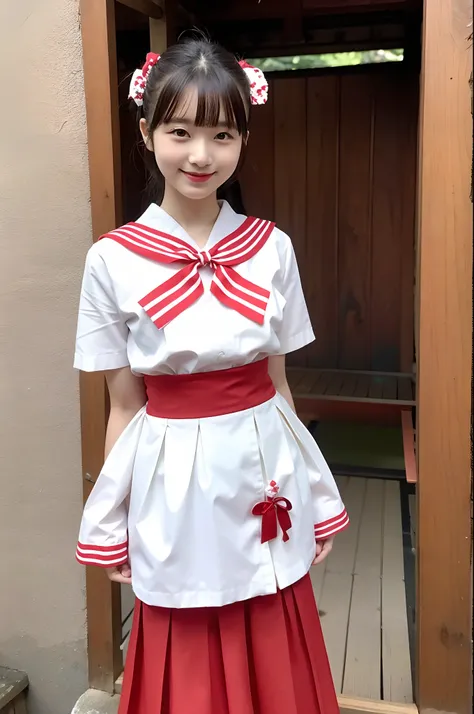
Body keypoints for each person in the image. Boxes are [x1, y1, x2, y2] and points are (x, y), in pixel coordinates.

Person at [74, 37, 349, 714]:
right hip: (173, 480)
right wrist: (116, 517)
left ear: (242, 140)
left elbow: (279, 388)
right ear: (147, 133)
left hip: (263, 475)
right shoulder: (111, 261)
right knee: (181, 612)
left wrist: (313, 493)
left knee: (271, 605)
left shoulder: (272, 248)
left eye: (222, 134)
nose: (201, 155)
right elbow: (121, 404)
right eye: (180, 132)